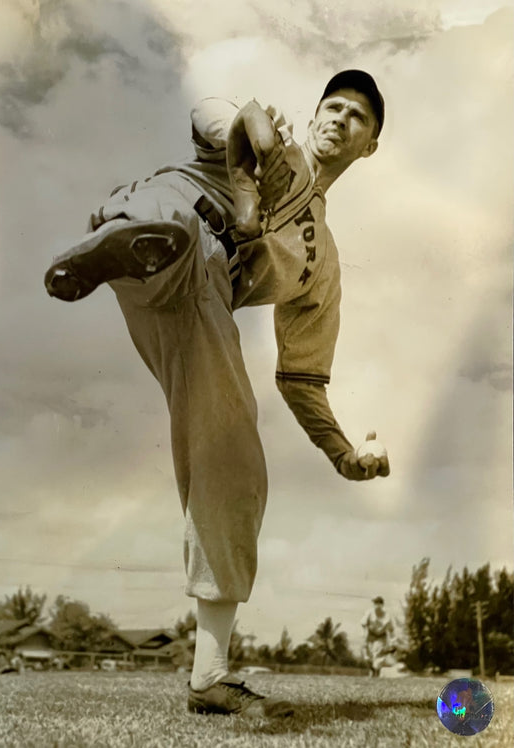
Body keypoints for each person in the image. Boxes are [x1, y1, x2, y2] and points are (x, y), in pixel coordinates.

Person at [45, 69, 390, 717]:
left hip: (205, 297)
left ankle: (210, 674)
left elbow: (303, 379)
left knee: (235, 457)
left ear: (368, 145)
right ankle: (126, 241)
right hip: (175, 218)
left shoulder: (322, 263)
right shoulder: (274, 140)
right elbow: (208, 113)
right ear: (315, 114)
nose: (341, 118)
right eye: (334, 105)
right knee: (178, 232)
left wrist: (345, 454)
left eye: (359, 117)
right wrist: (246, 127)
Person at [361, 596, 396, 677]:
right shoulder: (369, 612)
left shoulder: (387, 616)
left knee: (378, 655)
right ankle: (372, 670)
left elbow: (391, 630)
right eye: (375, 603)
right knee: (367, 657)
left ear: (382, 605)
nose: (376, 605)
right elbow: (363, 624)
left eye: (378, 603)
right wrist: (364, 636)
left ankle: (377, 673)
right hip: (370, 635)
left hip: (381, 636)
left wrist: (393, 642)